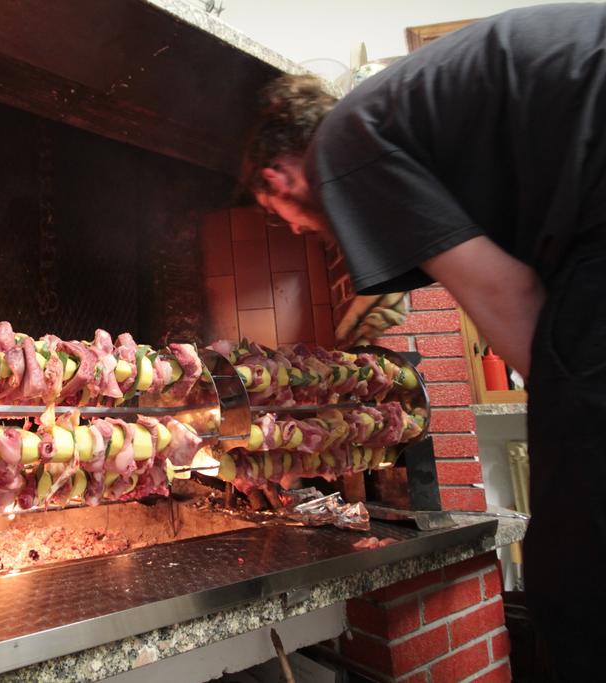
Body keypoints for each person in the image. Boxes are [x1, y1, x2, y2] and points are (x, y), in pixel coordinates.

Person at [241, 5, 606, 681]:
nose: (294, 231)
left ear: (277, 178)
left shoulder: (341, 147)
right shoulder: (392, 118)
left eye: (278, 217)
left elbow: (510, 300)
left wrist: (570, 410)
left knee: (579, 574)